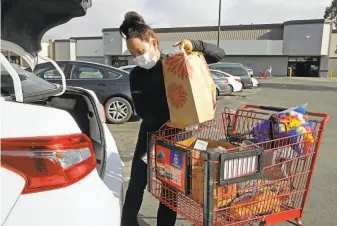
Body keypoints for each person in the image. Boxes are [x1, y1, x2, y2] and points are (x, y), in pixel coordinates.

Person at [119, 11, 226, 226]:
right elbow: (141, 111)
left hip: (176, 135)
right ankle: (127, 222)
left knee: (170, 189)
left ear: (154, 43)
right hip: (149, 132)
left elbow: (219, 54)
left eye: (140, 51)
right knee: (137, 182)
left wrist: (193, 44)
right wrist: (162, 122)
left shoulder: (174, 65)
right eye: (133, 54)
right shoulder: (136, 75)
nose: (138, 58)